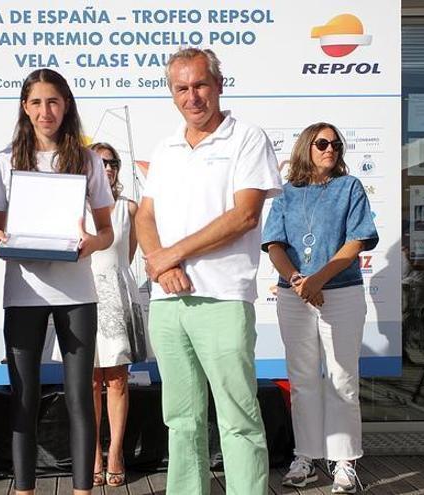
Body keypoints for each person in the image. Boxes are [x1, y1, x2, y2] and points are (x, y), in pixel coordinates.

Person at [135, 47, 281, 495]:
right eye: (182, 88)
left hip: (222, 298)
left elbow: (244, 216)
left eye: (200, 85)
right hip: (168, 301)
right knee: (181, 419)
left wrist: (168, 255)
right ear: (172, 93)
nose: (192, 96)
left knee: (237, 416)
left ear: (218, 85)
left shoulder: (247, 138)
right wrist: (162, 266)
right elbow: (144, 217)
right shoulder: (166, 148)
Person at [0, 68, 114, 495]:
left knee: (80, 396)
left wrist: (90, 244)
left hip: (77, 293)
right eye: (37, 102)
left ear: (67, 106)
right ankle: (24, 490)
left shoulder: (88, 160)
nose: (46, 111)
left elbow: (106, 233)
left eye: (54, 101)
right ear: (25, 107)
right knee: (23, 395)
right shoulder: (3, 162)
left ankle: (81, 490)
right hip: (23, 292)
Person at [261, 122, 378, 494]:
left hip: (340, 294)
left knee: (342, 379)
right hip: (295, 296)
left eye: (336, 143)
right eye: (322, 143)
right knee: (303, 380)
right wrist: (299, 281)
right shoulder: (286, 194)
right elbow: (274, 245)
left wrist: (319, 279)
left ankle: (344, 462)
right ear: (305, 148)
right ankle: (306, 457)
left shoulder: (350, 187)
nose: (331, 149)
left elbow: (357, 241)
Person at [87, 143, 140, 488]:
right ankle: (92, 455)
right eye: (100, 162)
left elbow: (129, 253)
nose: (108, 168)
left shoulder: (129, 208)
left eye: (113, 163)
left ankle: (117, 452)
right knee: (89, 380)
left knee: (118, 378)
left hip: (117, 295)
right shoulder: (74, 208)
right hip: (83, 295)